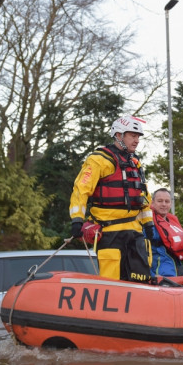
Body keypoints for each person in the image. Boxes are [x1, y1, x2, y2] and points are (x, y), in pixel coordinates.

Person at [69, 115, 153, 283]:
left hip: (134, 231)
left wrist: (149, 224)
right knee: (111, 280)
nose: (136, 140)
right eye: (132, 135)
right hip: (109, 231)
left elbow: (142, 196)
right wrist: (77, 220)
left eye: (138, 137)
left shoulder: (135, 163)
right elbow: (81, 189)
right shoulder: (98, 160)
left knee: (141, 279)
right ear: (119, 135)